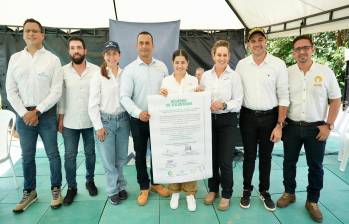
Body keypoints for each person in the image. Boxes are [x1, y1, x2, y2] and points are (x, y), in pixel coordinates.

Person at [276, 35, 341, 223]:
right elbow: (282, 99)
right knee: (289, 163)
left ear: (312, 49)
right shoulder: (287, 73)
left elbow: (335, 100)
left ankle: (313, 201)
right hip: (292, 127)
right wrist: (280, 124)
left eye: (306, 47)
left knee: (316, 166)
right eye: (297, 49)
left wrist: (328, 125)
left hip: (316, 129)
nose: (302, 52)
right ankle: (289, 193)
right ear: (293, 52)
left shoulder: (326, 72)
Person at [6, 18, 63, 212]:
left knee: (53, 155)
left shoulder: (52, 59)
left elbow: (56, 91)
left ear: (42, 34)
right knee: (27, 156)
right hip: (24, 116)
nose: (31, 34)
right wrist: (24, 113)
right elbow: (10, 91)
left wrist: (37, 111)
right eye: (27, 31)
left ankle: (56, 189)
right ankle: (29, 191)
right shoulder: (15, 59)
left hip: (46, 114)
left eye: (35, 31)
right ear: (23, 34)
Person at [235, 27, 289, 211]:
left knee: (266, 156)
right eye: (253, 40)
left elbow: (284, 96)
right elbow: (234, 91)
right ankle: (246, 190)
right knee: (249, 156)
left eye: (260, 39)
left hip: (270, 118)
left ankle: (264, 191)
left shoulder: (278, 64)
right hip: (247, 116)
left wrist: (279, 125)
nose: (257, 43)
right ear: (248, 44)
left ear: (266, 41)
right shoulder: (241, 65)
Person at [120, 31, 171, 206]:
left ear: (153, 46)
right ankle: (144, 186)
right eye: (141, 43)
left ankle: (156, 183)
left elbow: (168, 90)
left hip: (159, 119)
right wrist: (138, 113)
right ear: (136, 46)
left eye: (147, 43)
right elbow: (124, 97)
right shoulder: (130, 70)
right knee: (140, 154)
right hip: (138, 119)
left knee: (158, 153)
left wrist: (167, 92)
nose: (144, 46)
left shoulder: (162, 67)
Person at [201, 40, 243, 211]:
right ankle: (213, 190)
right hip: (209, 120)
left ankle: (226, 193)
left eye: (225, 55)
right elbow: (202, 97)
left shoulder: (234, 76)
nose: (222, 58)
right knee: (211, 159)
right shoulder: (205, 76)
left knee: (225, 160)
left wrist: (223, 105)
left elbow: (238, 101)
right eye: (219, 54)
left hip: (228, 121)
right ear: (213, 55)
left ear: (229, 56)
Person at [57, 37, 99, 205]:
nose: (76, 51)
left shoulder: (96, 70)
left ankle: (90, 181)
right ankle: (72, 188)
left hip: (90, 122)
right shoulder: (62, 71)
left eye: (79, 47)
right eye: (73, 48)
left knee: (90, 154)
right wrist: (60, 118)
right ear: (69, 51)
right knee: (69, 156)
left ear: (85, 50)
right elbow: (60, 96)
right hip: (69, 122)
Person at [88, 41, 130, 205]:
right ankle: (112, 190)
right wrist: (98, 127)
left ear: (119, 55)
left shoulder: (125, 73)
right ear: (104, 56)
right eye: (108, 53)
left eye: (114, 53)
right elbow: (92, 104)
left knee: (120, 158)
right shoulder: (97, 76)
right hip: (105, 121)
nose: (111, 56)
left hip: (123, 120)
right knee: (108, 159)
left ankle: (120, 186)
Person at [159, 49, 199, 212]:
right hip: (172, 130)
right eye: (177, 62)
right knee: (173, 159)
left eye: (183, 62)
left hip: (190, 129)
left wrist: (201, 95)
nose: (180, 65)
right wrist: (160, 96)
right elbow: (162, 104)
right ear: (173, 63)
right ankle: (174, 191)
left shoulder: (194, 81)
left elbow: (198, 103)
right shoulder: (166, 81)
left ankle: (190, 194)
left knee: (190, 159)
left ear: (187, 63)